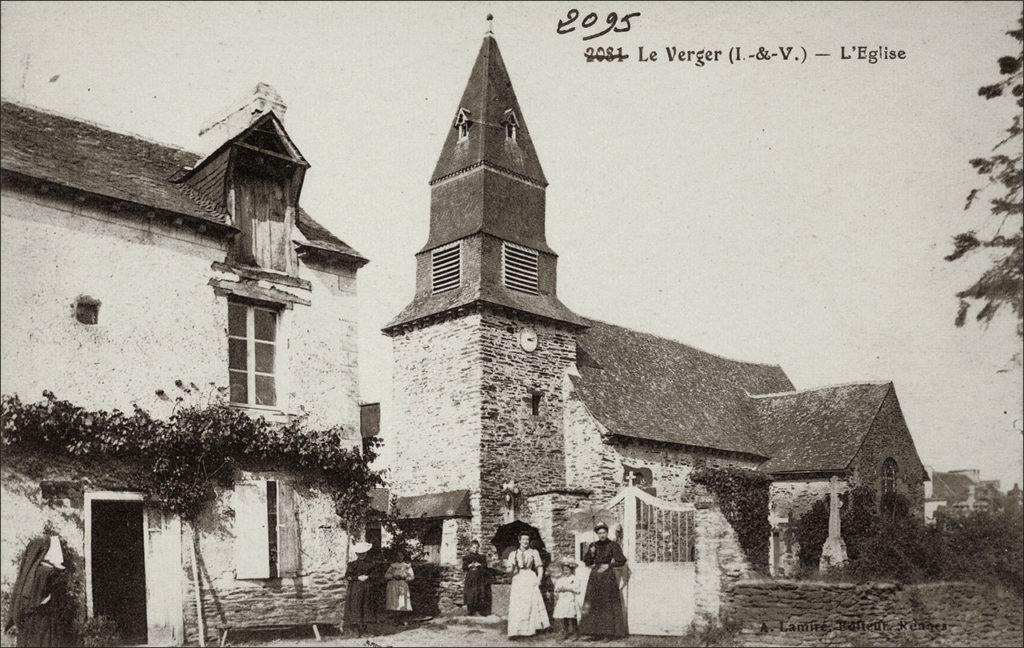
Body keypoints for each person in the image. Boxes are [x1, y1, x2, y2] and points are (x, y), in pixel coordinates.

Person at [4, 535, 73, 647]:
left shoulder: (30, 572)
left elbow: (24, 601)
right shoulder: (48, 572)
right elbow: (57, 601)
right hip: (44, 622)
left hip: (28, 622)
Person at [578, 523, 628, 639]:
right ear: (597, 534)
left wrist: (609, 565)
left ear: (607, 532)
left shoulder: (613, 545)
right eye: (599, 533)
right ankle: (594, 633)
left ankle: (608, 633)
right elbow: (587, 562)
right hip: (595, 576)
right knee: (594, 603)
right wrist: (591, 553)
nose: (602, 535)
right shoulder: (593, 545)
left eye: (604, 532)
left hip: (607, 577)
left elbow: (621, 560)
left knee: (606, 604)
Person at [505, 533, 550, 638]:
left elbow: (539, 567)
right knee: (518, 604)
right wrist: (510, 569)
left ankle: (529, 630)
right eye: (523, 539)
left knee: (530, 603)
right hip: (518, 578)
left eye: (527, 539)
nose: (525, 541)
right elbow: (509, 570)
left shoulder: (534, 552)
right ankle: (516, 631)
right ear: (519, 540)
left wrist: (539, 579)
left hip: (530, 577)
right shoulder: (513, 554)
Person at [343, 541, 375, 637]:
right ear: (356, 554)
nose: (361, 555)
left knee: (366, 606)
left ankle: (364, 630)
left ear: (366, 553)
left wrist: (368, 577)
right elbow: (347, 576)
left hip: (367, 588)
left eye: (363, 553)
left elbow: (376, 575)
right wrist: (357, 578)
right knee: (356, 606)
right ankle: (356, 631)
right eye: (359, 553)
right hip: (355, 588)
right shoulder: (352, 565)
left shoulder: (371, 564)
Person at [552, 558, 581, 640]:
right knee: (564, 616)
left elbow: (577, 590)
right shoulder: (561, 579)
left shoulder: (574, 579)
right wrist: (558, 590)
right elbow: (556, 589)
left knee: (572, 617)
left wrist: (568, 589)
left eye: (567, 570)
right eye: (564, 570)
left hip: (571, 600)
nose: (565, 572)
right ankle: (565, 631)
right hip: (563, 600)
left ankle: (575, 632)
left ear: (571, 570)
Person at [461, 539, 492, 616]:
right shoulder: (467, 557)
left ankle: (479, 611)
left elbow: (485, 567)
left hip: (479, 578)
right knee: (470, 593)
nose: (475, 549)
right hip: (470, 578)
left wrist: (480, 565)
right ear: (471, 548)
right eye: (474, 547)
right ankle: (470, 610)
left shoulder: (481, 557)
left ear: (479, 548)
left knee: (479, 593)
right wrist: (469, 565)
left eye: (477, 547)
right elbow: (464, 567)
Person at [384, 552, 414, 625]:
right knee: (394, 602)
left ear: (403, 557)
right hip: (394, 584)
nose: (400, 557)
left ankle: (403, 620)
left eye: (401, 556)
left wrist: (405, 577)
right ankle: (395, 620)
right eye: (398, 556)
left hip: (402, 584)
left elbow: (412, 576)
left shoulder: (407, 566)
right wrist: (393, 576)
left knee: (403, 601)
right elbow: (386, 575)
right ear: (396, 557)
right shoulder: (392, 566)